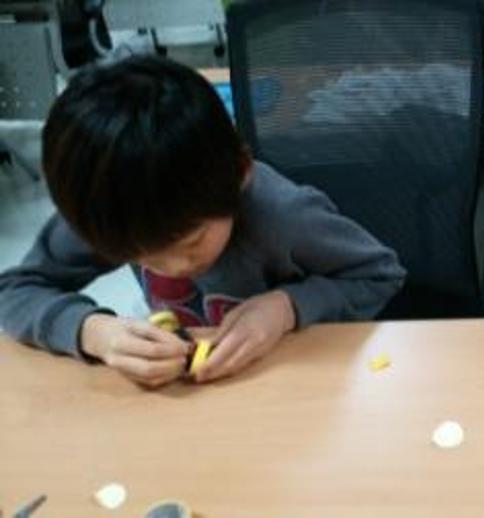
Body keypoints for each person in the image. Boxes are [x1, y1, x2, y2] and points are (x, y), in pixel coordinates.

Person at [0, 56, 406, 387]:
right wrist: (93, 331)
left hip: (296, 384)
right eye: (141, 256)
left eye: (192, 242)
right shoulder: (115, 213)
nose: (173, 268)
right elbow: (15, 291)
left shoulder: (281, 216)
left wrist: (286, 308)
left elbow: (379, 274)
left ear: (240, 172)